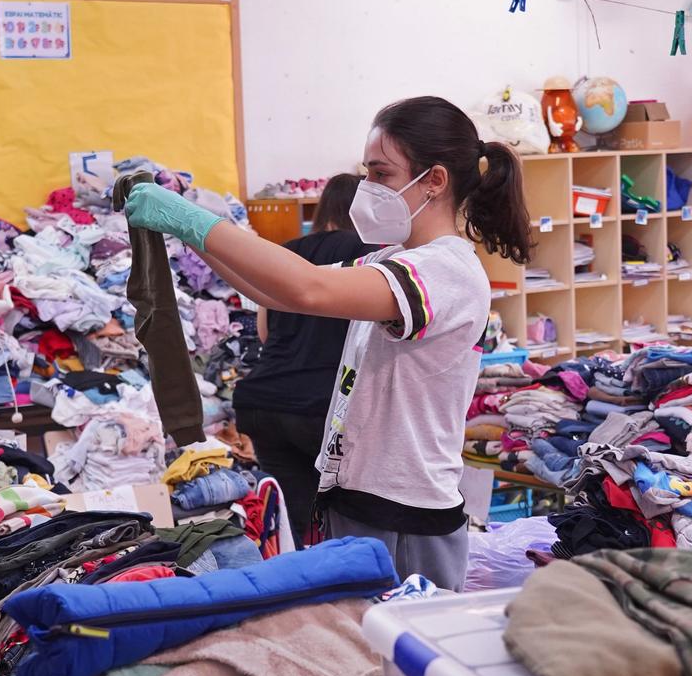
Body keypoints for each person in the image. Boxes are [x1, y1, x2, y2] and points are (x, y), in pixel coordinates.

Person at [128, 96, 530, 590]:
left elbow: (307, 288)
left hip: (406, 512)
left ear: (435, 180)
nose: (368, 189)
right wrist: (186, 232)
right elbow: (277, 292)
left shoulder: (445, 271)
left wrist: (193, 220)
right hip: (358, 496)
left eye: (381, 174)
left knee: (399, 657)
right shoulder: (392, 259)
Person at [232, 173, 375, 542]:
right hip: (323, 406)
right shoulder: (372, 257)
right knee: (348, 522)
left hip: (263, 400)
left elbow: (264, 332)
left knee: (292, 526)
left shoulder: (287, 252)